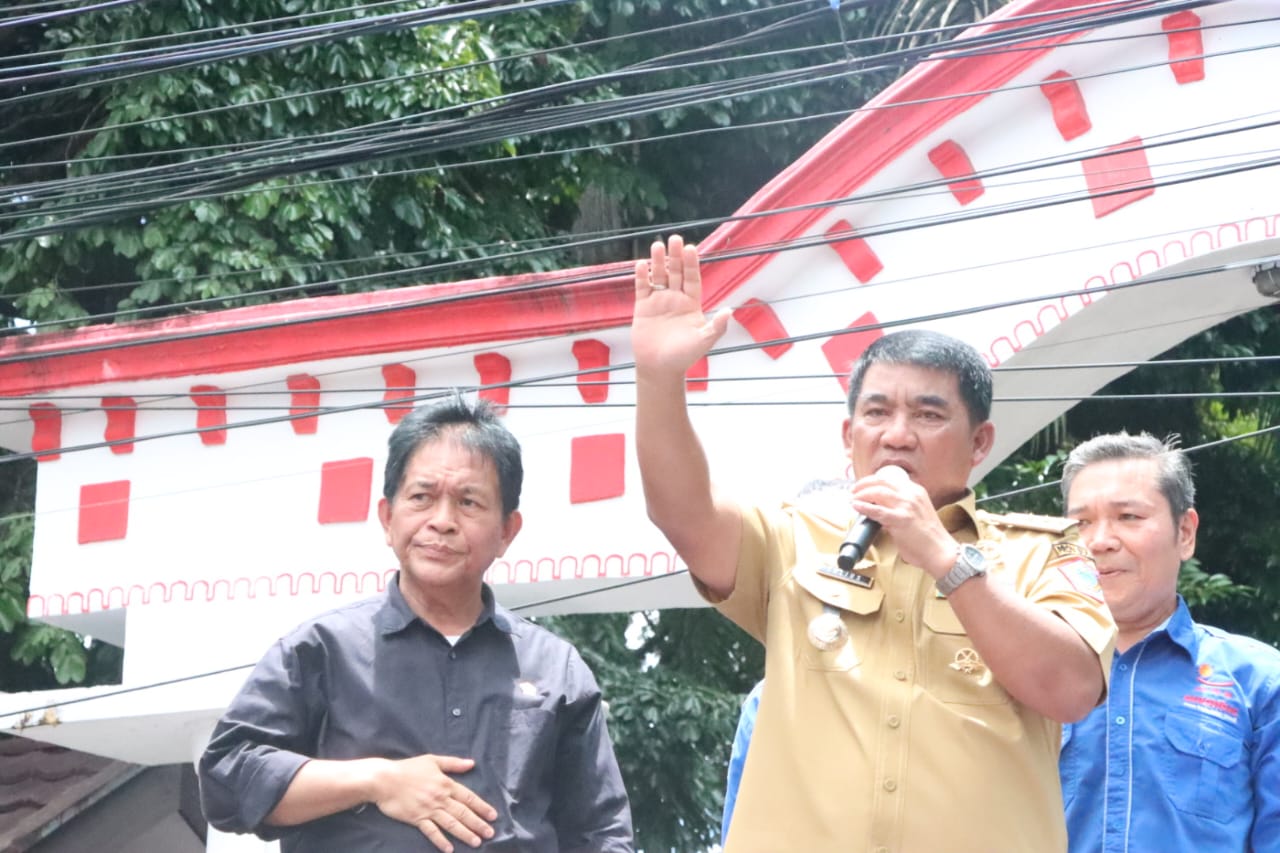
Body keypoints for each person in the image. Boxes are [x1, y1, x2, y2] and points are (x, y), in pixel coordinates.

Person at [631, 235, 1116, 853]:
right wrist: (658, 377)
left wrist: (941, 554)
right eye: (877, 413)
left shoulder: (1042, 552)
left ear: (980, 443)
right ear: (848, 435)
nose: (897, 436)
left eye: (929, 415)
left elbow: (1069, 689)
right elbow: (681, 511)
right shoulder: (793, 539)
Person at [198, 395, 633, 853]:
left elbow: (601, 833)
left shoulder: (555, 668)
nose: (441, 522)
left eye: (468, 502)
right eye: (422, 497)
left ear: (507, 531)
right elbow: (227, 778)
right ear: (388, 518)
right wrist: (377, 780)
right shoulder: (321, 649)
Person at [1058, 431, 1280, 852]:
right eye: (1081, 522)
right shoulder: (1021, 675)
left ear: (1185, 533)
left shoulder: (1261, 681)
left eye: (1129, 517)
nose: (1099, 540)